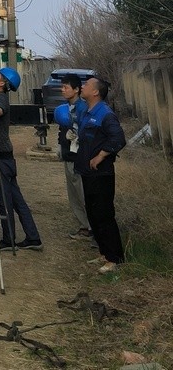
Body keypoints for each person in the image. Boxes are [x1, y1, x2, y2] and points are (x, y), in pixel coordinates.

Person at [0, 67, 43, 251]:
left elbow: (1, 110)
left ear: (3, 83)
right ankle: (33, 238)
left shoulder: (0, 98)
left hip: (0, 157)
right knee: (16, 199)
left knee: (4, 199)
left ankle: (9, 240)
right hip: (4, 156)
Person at [76, 77, 126, 273]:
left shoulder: (105, 114)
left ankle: (115, 259)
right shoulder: (88, 112)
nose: (82, 87)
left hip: (101, 174)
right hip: (88, 173)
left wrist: (101, 155)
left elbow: (118, 138)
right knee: (93, 214)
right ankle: (104, 253)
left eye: (86, 85)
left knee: (104, 215)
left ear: (96, 92)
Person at [53, 73, 91, 240]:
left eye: (66, 87)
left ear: (76, 89)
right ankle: (84, 226)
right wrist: (60, 145)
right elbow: (63, 130)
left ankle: (91, 228)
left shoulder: (82, 108)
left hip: (79, 158)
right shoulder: (66, 108)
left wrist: (77, 138)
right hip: (68, 154)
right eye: (62, 87)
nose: (62, 90)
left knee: (82, 193)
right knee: (74, 195)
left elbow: (86, 132)